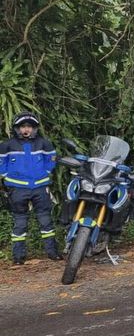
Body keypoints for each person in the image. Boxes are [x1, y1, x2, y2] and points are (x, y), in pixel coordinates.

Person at [0, 111, 63, 265]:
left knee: (45, 220)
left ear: (35, 128)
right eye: (23, 126)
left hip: (40, 187)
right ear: (17, 128)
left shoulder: (44, 143)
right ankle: (18, 257)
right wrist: (7, 175)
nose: (26, 129)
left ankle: (52, 253)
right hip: (17, 189)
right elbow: (1, 162)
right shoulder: (7, 145)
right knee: (20, 222)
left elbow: (52, 158)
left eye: (29, 126)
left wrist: (46, 172)